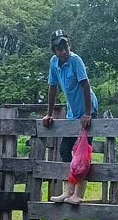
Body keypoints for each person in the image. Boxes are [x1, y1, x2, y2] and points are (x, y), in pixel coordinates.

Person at [41, 29, 99, 205]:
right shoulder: (54, 63)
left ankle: (78, 194)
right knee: (65, 149)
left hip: (88, 108)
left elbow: (85, 85)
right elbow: (52, 87)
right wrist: (49, 114)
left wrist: (88, 113)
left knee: (83, 153)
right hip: (72, 112)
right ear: (54, 51)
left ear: (69, 45)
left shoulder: (75, 60)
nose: (63, 51)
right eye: (59, 49)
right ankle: (68, 190)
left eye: (65, 46)